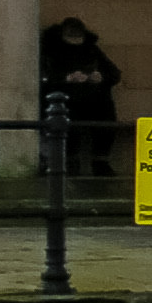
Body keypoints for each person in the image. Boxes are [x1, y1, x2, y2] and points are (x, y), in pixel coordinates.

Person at [37, 16, 125, 182]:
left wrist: (101, 77)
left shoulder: (91, 49)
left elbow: (114, 73)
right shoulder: (51, 50)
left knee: (105, 125)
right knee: (70, 128)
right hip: (66, 100)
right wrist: (67, 78)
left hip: (96, 100)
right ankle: (71, 162)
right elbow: (42, 77)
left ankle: (101, 161)